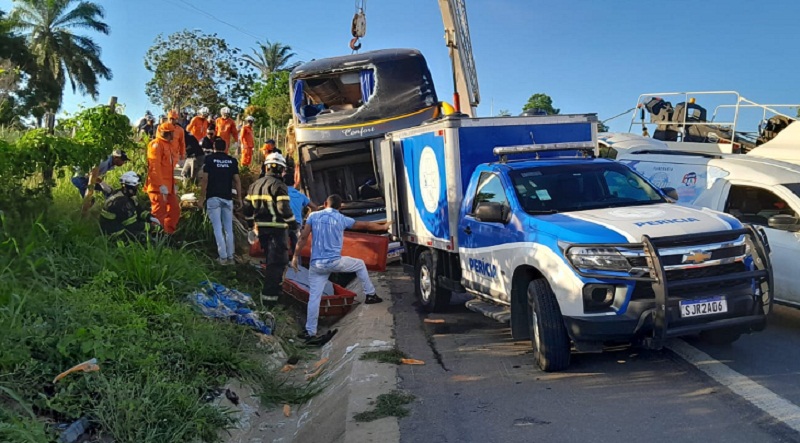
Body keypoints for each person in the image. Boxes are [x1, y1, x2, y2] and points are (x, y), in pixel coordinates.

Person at [291, 194, 389, 342]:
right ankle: (370, 295)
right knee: (360, 264)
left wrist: (295, 256)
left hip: (316, 264)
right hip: (335, 262)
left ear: (325, 203)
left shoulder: (313, 216)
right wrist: (384, 226)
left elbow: (303, 237)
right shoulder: (342, 219)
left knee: (314, 298)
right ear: (340, 206)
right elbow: (366, 226)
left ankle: (310, 332)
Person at [243, 152, 297, 304]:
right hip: (278, 231)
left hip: (262, 231)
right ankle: (270, 300)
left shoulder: (254, 185)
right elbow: (283, 209)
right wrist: (293, 225)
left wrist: (250, 226)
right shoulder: (279, 186)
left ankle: (273, 295)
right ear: (280, 169)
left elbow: (247, 208)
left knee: (270, 261)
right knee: (277, 264)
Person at [199, 137, 243, 265]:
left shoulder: (210, 160)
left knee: (217, 228)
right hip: (227, 198)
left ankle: (222, 258)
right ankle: (231, 257)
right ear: (225, 148)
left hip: (213, 198)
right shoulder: (232, 161)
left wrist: (201, 198)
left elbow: (205, 179)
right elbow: (237, 181)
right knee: (228, 228)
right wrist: (239, 198)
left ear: (214, 147)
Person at [145, 123, 181, 234]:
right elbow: (154, 167)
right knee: (158, 213)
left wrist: (173, 184)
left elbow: (170, 168)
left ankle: (167, 234)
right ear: (167, 133)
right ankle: (154, 237)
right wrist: (160, 185)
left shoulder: (169, 146)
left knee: (174, 210)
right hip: (158, 187)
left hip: (168, 186)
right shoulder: (156, 145)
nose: (173, 136)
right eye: (172, 133)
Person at [99, 171, 154, 239]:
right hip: (115, 232)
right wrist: (152, 228)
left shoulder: (128, 196)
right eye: (135, 187)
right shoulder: (120, 201)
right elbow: (132, 225)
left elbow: (139, 211)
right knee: (143, 237)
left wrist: (151, 218)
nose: (137, 189)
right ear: (128, 187)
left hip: (122, 225)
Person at [285, 173, 318, 254]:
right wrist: (308, 220)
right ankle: (297, 264)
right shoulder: (300, 195)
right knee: (296, 248)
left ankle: (284, 265)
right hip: (297, 223)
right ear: (293, 183)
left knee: (283, 247)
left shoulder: (281, 195)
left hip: (284, 223)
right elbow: (314, 207)